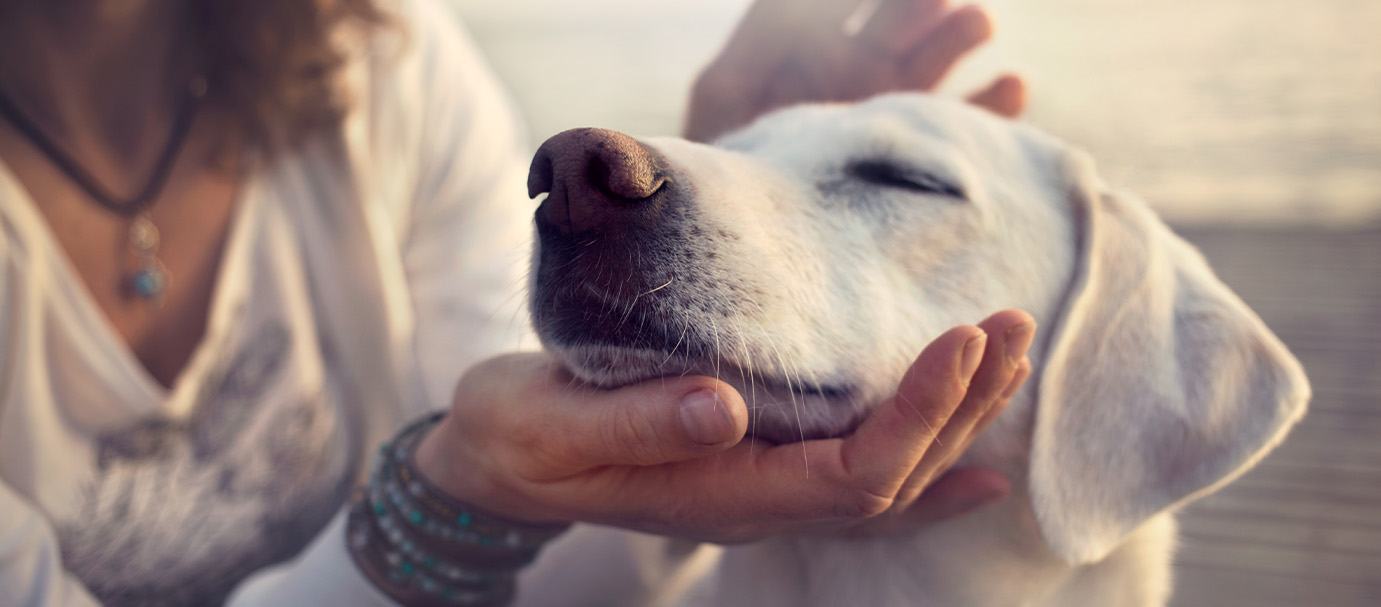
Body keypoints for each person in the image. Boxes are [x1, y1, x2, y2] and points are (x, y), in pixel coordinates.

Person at [0, 0, 1032, 604]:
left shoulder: (379, 66)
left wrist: (740, 212)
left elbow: (556, 562)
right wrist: (451, 494)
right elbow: (498, 491)